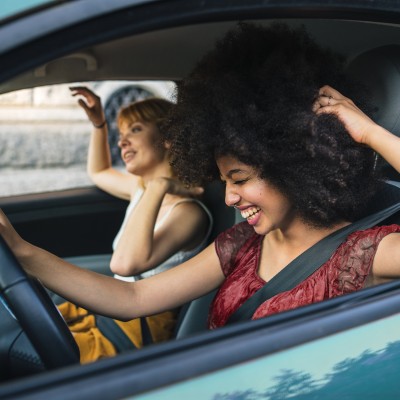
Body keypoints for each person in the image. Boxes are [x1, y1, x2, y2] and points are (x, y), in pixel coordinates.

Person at [1, 23, 400, 340]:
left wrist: (369, 134)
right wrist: (24, 253)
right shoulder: (244, 243)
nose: (228, 197)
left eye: (239, 179)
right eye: (224, 180)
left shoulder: (363, 255)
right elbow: (132, 296)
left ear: (295, 165)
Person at [56, 87, 212, 361]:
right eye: (121, 134)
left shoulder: (188, 212)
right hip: (110, 309)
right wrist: (99, 124)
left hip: (133, 330)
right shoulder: (140, 189)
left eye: (135, 130)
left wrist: (159, 187)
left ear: (168, 138)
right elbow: (99, 171)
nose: (121, 142)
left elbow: (125, 265)